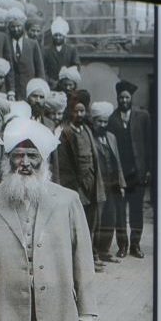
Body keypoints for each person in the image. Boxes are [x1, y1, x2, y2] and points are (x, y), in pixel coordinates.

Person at [0, 118, 96, 321]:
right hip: (7, 318)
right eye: (18, 155)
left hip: (58, 315)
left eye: (32, 156)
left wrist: (86, 315)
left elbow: (83, 262)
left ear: (43, 160)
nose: (24, 162)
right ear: (8, 159)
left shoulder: (68, 201)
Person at [58, 93, 105, 270]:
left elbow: (94, 158)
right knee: (78, 223)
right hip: (75, 184)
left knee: (91, 222)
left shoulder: (87, 131)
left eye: (82, 111)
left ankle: (92, 256)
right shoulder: (65, 133)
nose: (79, 114)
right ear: (71, 112)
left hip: (91, 182)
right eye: (76, 111)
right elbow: (64, 164)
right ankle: (79, 261)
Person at [109, 79, 152, 259]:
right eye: (121, 98)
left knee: (136, 211)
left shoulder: (142, 116)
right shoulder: (112, 119)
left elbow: (150, 144)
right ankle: (123, 245)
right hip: (120, 174)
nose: (124, 101)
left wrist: (148, 169)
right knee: (120, 211)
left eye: (126, 97)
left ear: (131, 98)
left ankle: (135, 244)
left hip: (138, 173)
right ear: (117, 99)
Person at [89, 101, 127, 267]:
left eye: (105, 121)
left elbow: (118, 161)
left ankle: (105, 251)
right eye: (99, 121)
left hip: (112, 185)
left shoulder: (111, 137)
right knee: (96, 221)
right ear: (94, 121)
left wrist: (121, 183)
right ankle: (93, 253)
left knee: (110, 219)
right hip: (97, 185)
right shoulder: (89, 137)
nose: (102, 125)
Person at [5, 7, 45, 99]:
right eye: (13, 27)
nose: (16, 29)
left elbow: (40, 70)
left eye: (18, 26)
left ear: (23, 26)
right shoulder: (6, 43)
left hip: (29, 91)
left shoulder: (32, 44)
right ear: (9, 27)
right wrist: (11, 91)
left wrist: (40, 88)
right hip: (11, 92)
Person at [43, 16, 80, 84]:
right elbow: (43, 70)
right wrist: (52, 82)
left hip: (67, 84)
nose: (58, 37)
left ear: (64, 36)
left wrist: (68, 78)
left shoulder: (71, 50)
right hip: (51, 85)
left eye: (60, 35)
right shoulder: (46, 50)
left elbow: (76, 67)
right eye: (56, 35)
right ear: (52, 36)